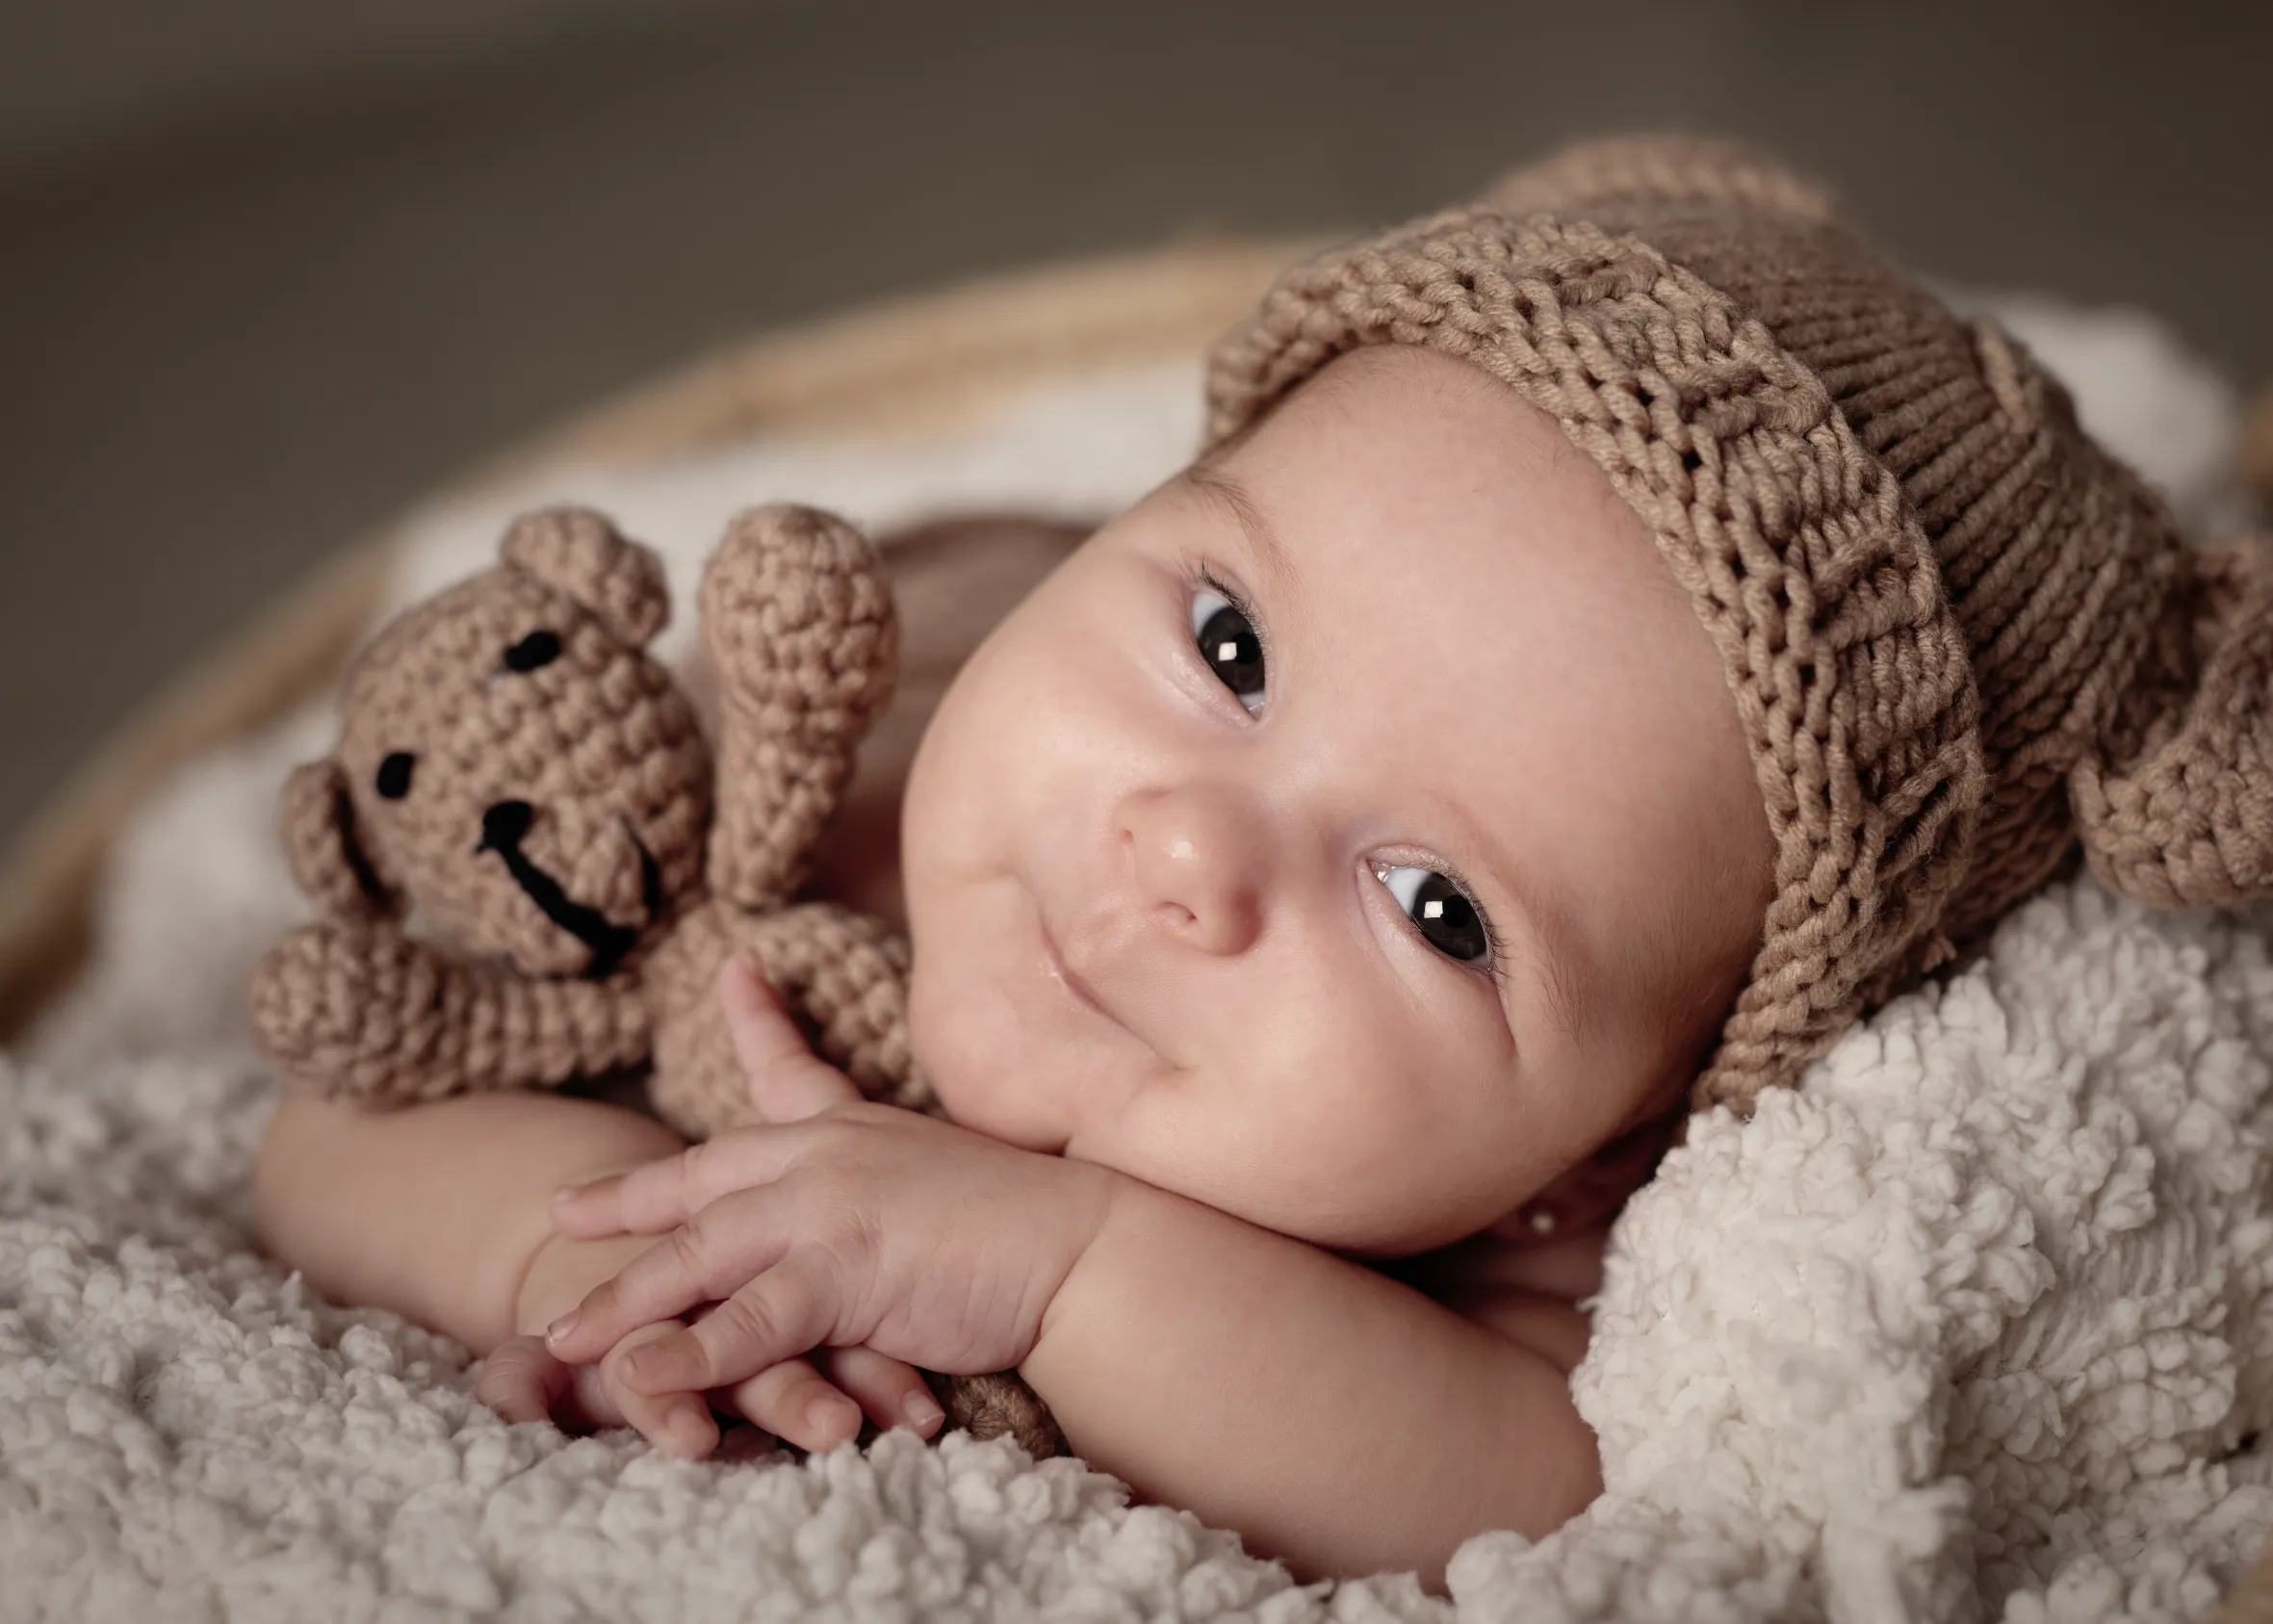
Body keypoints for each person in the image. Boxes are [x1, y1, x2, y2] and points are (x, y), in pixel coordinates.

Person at [251, 135, 2273, 1589]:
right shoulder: (829, 815)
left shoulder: (1491, 1234)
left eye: (1436, 908)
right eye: (1228, 646)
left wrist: (1058, 1265)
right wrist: (631, 1268)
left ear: (1607, 1142)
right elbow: (331, 1126)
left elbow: (1531, 1487)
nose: (1191, 852)